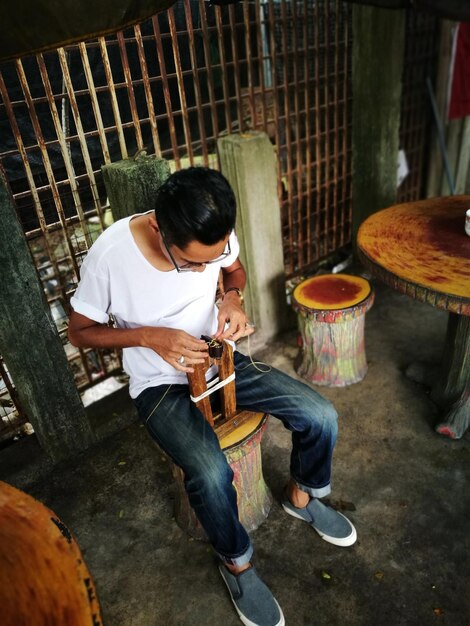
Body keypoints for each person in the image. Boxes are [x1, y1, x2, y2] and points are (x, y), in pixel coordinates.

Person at [68, 167, 357, 626]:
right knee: (208, 469)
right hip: (159, 383)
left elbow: (234, 270)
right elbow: (79, 331)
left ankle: (300, 496)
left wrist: (233, 298)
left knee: (318, 413)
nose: (206, 270)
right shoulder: (111, 256)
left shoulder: (211, 223)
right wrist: (150, 337)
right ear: (160, 228)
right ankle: (237, 562)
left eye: (214, 255)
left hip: (218, 356)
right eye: (193, 264)